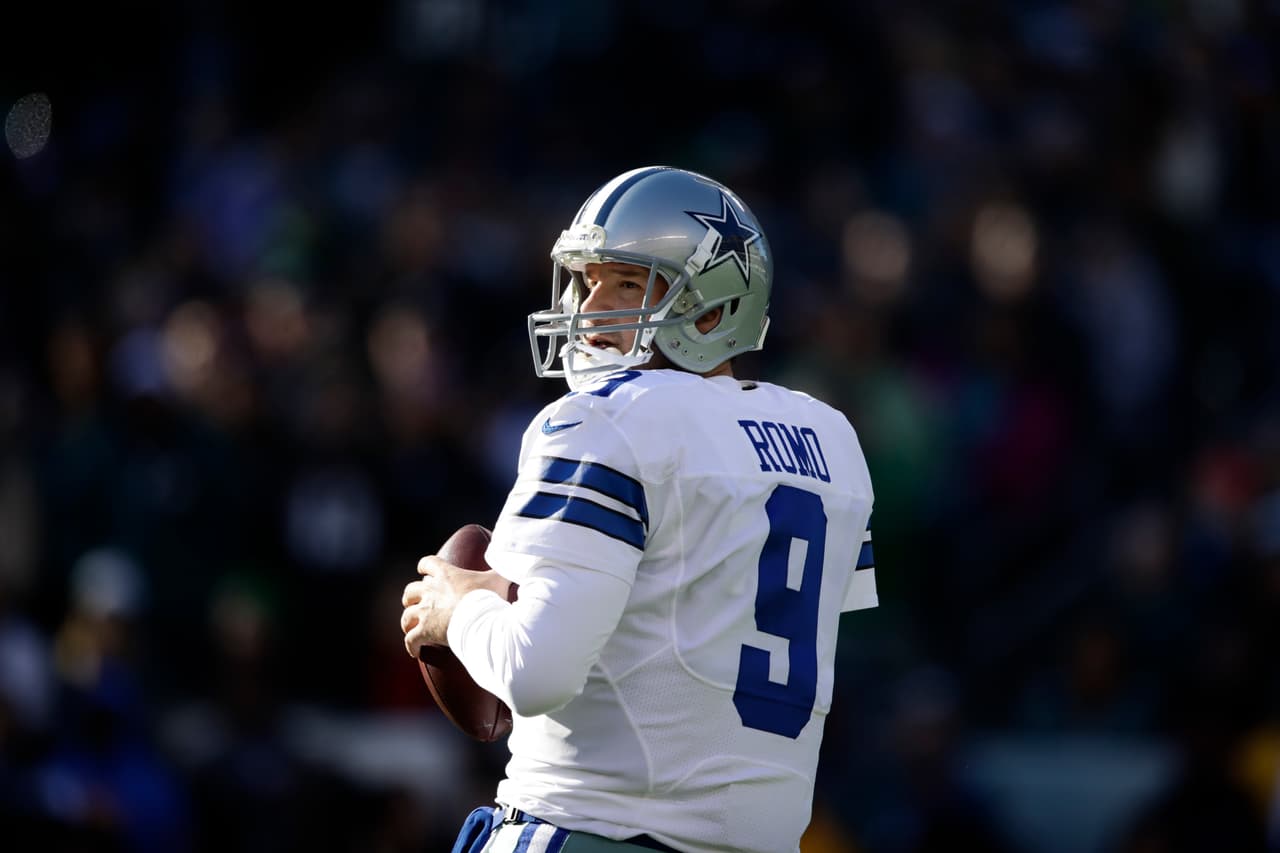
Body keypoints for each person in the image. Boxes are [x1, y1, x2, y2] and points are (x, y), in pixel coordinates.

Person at [401, 166, 878, 853]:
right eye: (587, 281)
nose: (591, 310)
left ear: (712, 312)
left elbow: (535, 671)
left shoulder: (605, 421)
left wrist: (462, 608)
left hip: (593, 828)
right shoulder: (832, 441)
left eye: (627, 284)